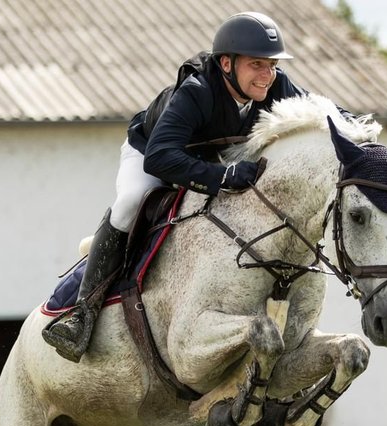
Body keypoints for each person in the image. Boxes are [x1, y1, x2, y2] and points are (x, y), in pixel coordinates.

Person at [42, 11, 310, 362]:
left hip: (208, 162)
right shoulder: (197, 92)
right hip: (152, 154)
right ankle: (83, 312)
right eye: (257, 65)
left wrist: (359, 133)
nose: (267, 74)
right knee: (132, 200)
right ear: (226, 64)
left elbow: (320, 111)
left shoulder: (275, 85)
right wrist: (224, 178)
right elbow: (160, 159)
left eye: (272, 65)